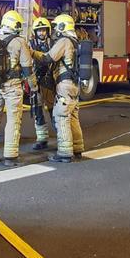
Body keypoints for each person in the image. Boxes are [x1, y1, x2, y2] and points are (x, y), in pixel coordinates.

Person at [0, 10, 38, 167]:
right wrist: (33, 86)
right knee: (13, 120)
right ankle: (10, 156)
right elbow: (28, 67)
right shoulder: (20, 42)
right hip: (12, 86)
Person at [34, 14, 85, 163]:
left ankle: (64, 153)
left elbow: (47, 58)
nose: (55, 29)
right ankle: (77, 148)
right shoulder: (75, 42)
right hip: (74, 85)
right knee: (74, 118)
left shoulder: (64, 41)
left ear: (63, 27)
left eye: (57, 26)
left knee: (61, 117)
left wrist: (32, 53)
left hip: (65, 85)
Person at [29, 17, 55, 150]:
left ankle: (61, 137)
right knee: (38, 111)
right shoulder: (30, 44)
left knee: (53, 110)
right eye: (39, 30)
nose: (41, 33)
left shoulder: (53, 43)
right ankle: (42, 139)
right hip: (36, 82)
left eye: (43, 30)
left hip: (50, 82)